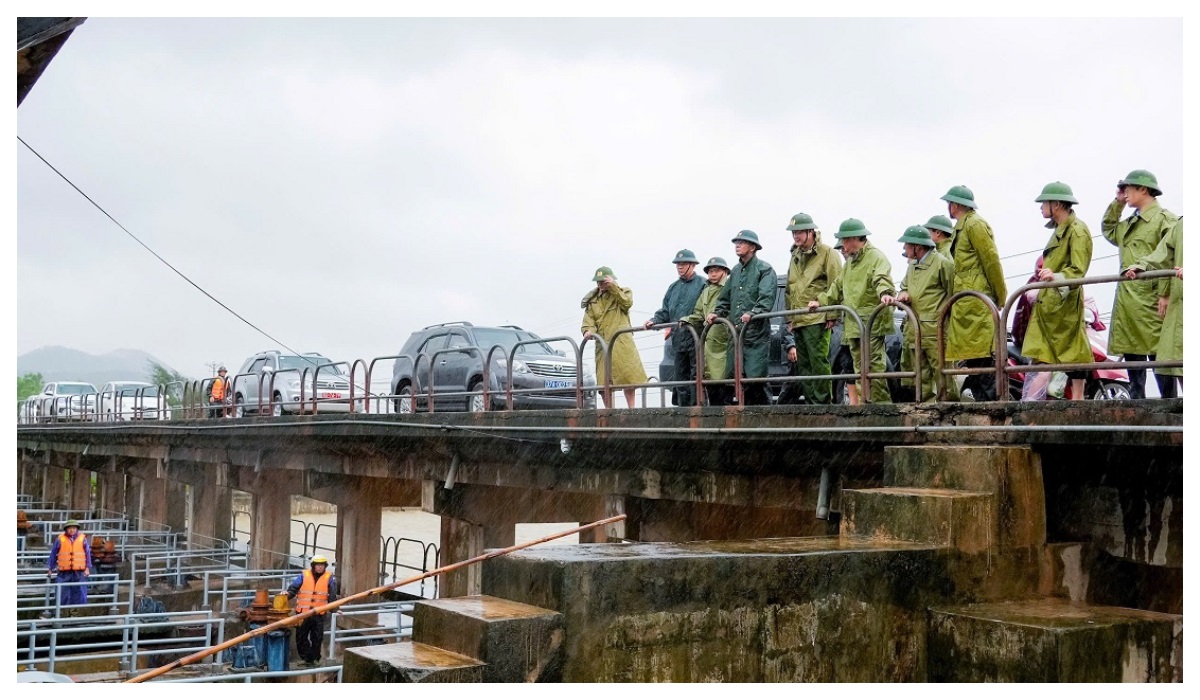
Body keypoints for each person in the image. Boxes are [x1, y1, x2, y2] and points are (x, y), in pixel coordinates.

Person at [1102, 169, 1181, 399]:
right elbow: (1108, 229)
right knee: (1132, 353)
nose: (1125, 193)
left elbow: (1172, 256)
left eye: (1128, 189)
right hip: (1128, 301)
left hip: (1152, 299)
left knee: (1160, 353)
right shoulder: (1129, 224)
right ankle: (1137, 405)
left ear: (1143, 189)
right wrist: (1117, 203)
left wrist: (1165, 293)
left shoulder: (1166, 220)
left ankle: (1170, 405)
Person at [809, 219, 895, 405]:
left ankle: (881, 408)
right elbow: (837, 288)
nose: (843, 246)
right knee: (859, 369)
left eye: (845, 241)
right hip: (854, 324)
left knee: (873, 367)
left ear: (855, 239)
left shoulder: (876, 257)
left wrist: (885, 293)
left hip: (872, 322)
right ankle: (865, 406)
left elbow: (882, 278)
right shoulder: (849, 264)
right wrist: (821, 300)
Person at [1021, 182, 1094, 401]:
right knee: (1048, 356)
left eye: (1045, 202)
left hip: (1064, 305)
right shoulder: (1062, 230)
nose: (1041, 207)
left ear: (1058, 204)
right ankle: (1031, 408)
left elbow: (1078, 270)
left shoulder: (1077, 231)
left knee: (1072, 353)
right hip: (1052, 305)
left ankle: (1072, 403)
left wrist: (1055, 276)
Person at [941, 185, 1007, 401]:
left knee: (982, 357)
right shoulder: (963, 226)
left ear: (956, 205)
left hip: (978, 301)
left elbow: (991, 261)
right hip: (967, 300)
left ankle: (990, 406)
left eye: (950, 203)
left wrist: (1000, 295)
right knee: (973, 358)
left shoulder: (975, 225)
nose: (948, 208)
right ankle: (981, 403)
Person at [710, 231, 777, 406]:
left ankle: (763, 416)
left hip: (755, 333)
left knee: (756, 378)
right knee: (735, 377)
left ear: (753, 247)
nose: (737, 245)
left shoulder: (764, 269)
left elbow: (766, 298)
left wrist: (753, 313)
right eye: (736, 242)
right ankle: (744, 416)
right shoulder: (735, 271)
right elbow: (725, 298)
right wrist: (717, 312)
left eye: (742, 242)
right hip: (736, 333)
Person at [783, 213, 842, 404]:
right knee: (803, 365)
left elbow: (836, 284)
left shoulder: (828, 253)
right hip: (799, 318)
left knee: (819, 362)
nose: (796, 236)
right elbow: (789, 289)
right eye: (793, 233)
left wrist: (832, 313)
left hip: (817, 318)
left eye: (800, 232)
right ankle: (811, 404)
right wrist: (789, 318)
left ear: (811, 232)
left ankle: (823, 404)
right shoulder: (795, 255)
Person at [893, 225, 956, 402]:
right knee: (921, 375)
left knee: (943, 373)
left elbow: (953, 295)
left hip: (936, 330)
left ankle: (948, 409)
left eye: (906, 245)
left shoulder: (943, 264)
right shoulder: (912, 266)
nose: (904, 249)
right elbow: (904, 286)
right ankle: (926, 410)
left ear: (918, 247)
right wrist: (902, 294)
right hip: (915, 329)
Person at [1124, 219, 1184, 397]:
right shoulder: (1182, 225)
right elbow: (1162, 253)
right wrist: (1140, 265)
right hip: (1180, 305)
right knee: (1178, 361)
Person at [644, 249, 705, 407]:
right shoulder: (673, 288)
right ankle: (684, 412)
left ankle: (697, 410)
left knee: (697, 376)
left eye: (683, 263)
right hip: (678, 340)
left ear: (692, 265)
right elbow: (665, 311)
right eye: (677, 264)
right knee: (680, 377)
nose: (679, 266)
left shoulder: (703, 284)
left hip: (698, 339)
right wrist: (654, 320)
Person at [582, 267, 648, 408]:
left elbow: (627, 303)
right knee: (603, 381)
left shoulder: (623, 292)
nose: (601, 284)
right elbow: (589, 320)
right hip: (603, 344)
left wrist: (613, 287)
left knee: (628, 378)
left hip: (621, 342)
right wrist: (588, 330)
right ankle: (609, 411)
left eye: (603, 281)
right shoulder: (593, 301)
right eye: (598, 281)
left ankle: (632, 411)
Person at [680, 256, 732, 406]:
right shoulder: (706, 291)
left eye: (716, 270)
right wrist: (687, 319)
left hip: (724, 338)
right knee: (710, 380)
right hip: (708, 340)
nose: (713, 274)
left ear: (724, 271)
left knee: (725, 380)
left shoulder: (729, 287)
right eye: (710, 271)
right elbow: (698, 313)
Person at [286, 555, 339, 667]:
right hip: (302, 613)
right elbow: (293, 589)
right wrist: (286, 595)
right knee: (300, 637)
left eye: (322, 565)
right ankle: (307, 658)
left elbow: (332, 596)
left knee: (317, 638)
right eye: (317, 565)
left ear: (325, 566)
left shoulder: (329, 578)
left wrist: (334, 610)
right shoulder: (304, 575)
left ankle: (314, 659)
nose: (320, 568)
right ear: (313, 566)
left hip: (318, 614)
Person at [47, 519, 91, 614]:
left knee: (79, 592)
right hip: (64, 572)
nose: (72, 530)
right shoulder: (60, 539)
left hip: (78, 571)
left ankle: (78, 613)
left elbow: (87, 554)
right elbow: (53, 554)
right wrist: (50, 568)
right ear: (66, 529)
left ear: (77, 529)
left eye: (74, 528)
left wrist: (87, 568)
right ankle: (61, 612)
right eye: (70, 528)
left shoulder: (83, 539)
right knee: (62, 592)